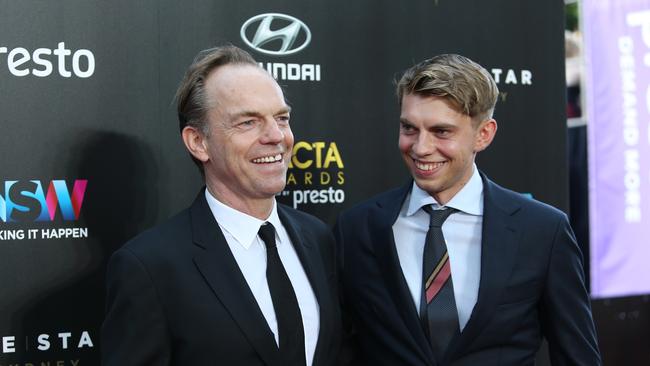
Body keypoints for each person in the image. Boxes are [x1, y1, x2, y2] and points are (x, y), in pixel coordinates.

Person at [335, 54, 601, 366]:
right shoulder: (357, 228)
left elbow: (577, 356)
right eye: (409, 128)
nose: (420, 147)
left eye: (441, 131)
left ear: (483, 134)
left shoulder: (542, 231)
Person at [102, 45, 342, 366]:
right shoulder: (149, 267)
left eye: (281, 118)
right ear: (199, 142)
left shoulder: (317, 237)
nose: (276, 135)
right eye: (248, 122)